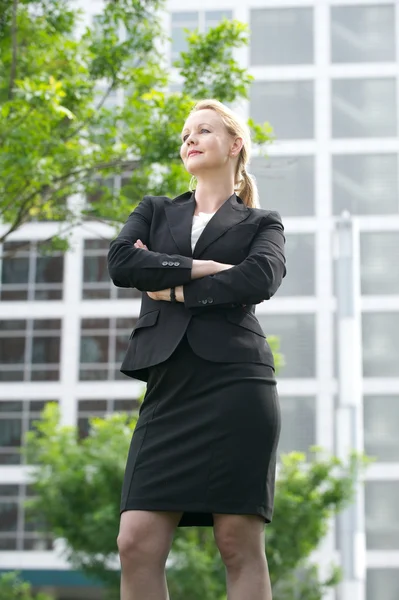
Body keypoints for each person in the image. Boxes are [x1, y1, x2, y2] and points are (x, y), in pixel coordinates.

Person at [108, 98, 286, 600]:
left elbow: (261, 277)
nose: (190, 138)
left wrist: (170, 285)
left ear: (234, 145)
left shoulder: (261, 223)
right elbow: (123, 263)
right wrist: (205, 268)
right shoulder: (155, 209)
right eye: (186, 133)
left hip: (237, 386)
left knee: (236, 541)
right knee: (135, 540)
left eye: (203, 130)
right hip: (169, 388)